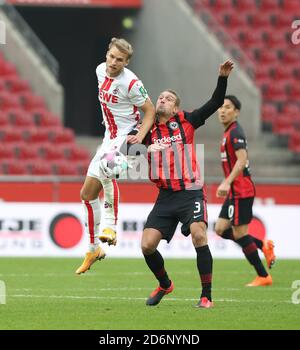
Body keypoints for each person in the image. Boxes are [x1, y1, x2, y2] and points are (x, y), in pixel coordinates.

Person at [140, 60, 234, 308]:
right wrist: (146, 147)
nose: (162, 99)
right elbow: (125, 148)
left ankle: (206, 296)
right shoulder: (147, 130)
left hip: (191, 191)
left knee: (199, 235)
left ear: (175, 108)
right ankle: (165, 284)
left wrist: (222, 78)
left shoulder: (187, 121)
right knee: (147, 245)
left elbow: (214, 103)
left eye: (168, 98)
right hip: (166, 195)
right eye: (160, 97)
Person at [76, 38, 155, 275]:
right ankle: (93, 249)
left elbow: (149, 111)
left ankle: (110, 226)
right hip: (109, 139)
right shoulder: (100, 70)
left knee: (107, 168)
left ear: (126, 62)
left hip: (130, 139)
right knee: (87, 194)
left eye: (119, 60)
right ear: (107, 54)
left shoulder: (131, 82)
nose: (112, 62)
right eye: (111, 56)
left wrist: (140, 136)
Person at [214, 95, 275, 286]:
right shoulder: (228, 132)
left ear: (237, 112)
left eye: (228, 107)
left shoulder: (235, 132)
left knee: (240, 234)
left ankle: (263, 276)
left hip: (241, 190)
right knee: (221, 229)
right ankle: (262, 245)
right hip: (234, 191)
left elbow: (242, 160)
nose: (222, 111)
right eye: (221, 107)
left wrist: (226, 182)